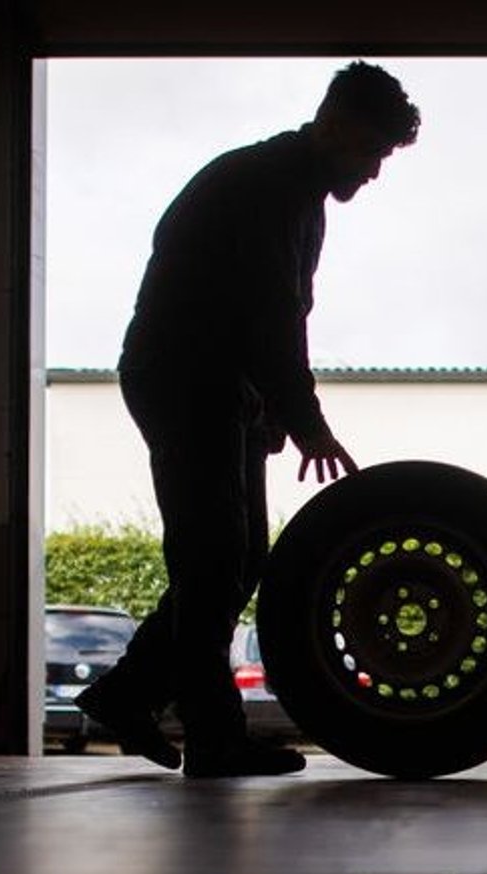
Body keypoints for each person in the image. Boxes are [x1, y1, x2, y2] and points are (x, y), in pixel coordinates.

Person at [79, 61, 421, 779]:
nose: (374, 171)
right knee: (210, 562)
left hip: (218, 385)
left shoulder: (296, 194)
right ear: (334, 125)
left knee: (239, 558)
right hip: (183, 379)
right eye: (371, 151)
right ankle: (213, 738)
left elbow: (273, 317)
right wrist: (306, 423)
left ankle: (126, 693)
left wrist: (268, 413)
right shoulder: (264, 187)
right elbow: (270, 320)